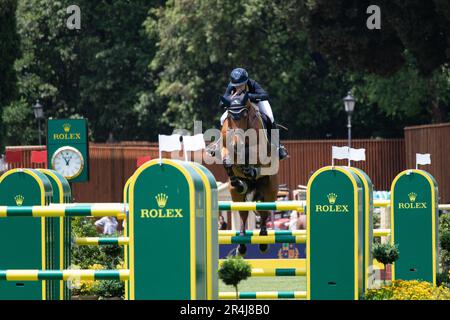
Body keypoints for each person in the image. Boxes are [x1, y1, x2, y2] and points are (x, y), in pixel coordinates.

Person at [219, 67, 289, 160]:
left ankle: (278, 146)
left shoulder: (252, 83)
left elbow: (265, 95)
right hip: (239, 107)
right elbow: (221, 103)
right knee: (222, 119)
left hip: (256, 103)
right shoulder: (231, 86)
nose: (238, 87)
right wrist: (230, 99)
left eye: (240, 85)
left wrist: (249, 96)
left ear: (245, 82)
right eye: (236, 85)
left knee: (270, 117)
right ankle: (219, 143)